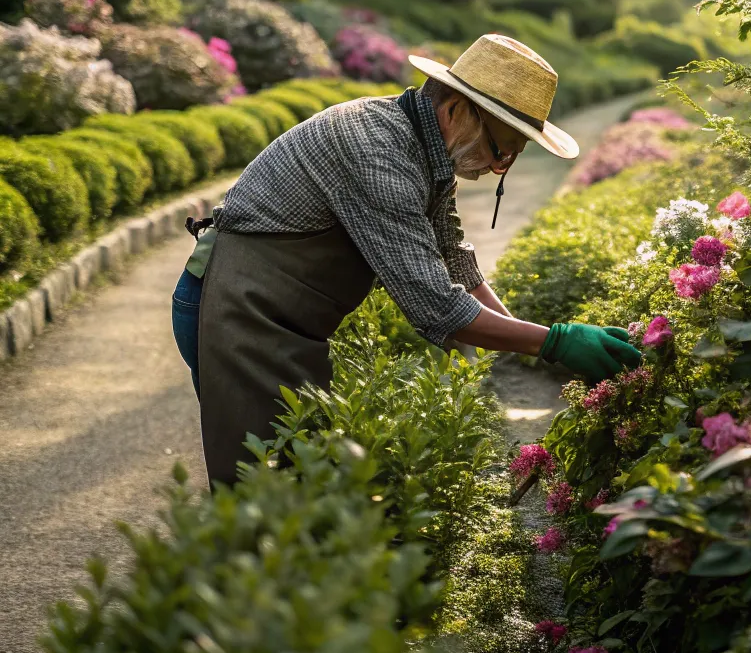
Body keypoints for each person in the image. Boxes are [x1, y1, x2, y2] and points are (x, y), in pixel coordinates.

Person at [171, 33, 641, 486]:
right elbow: (437, 306)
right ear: (456, 111)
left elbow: (453, 257)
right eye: (501, 150)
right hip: (237, 306)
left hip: (283, 319)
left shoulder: (423, 149)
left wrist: (531, 343)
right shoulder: (377, 152)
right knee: (265, 487)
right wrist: (555, 343)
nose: (500, 169)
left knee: (302, 475)